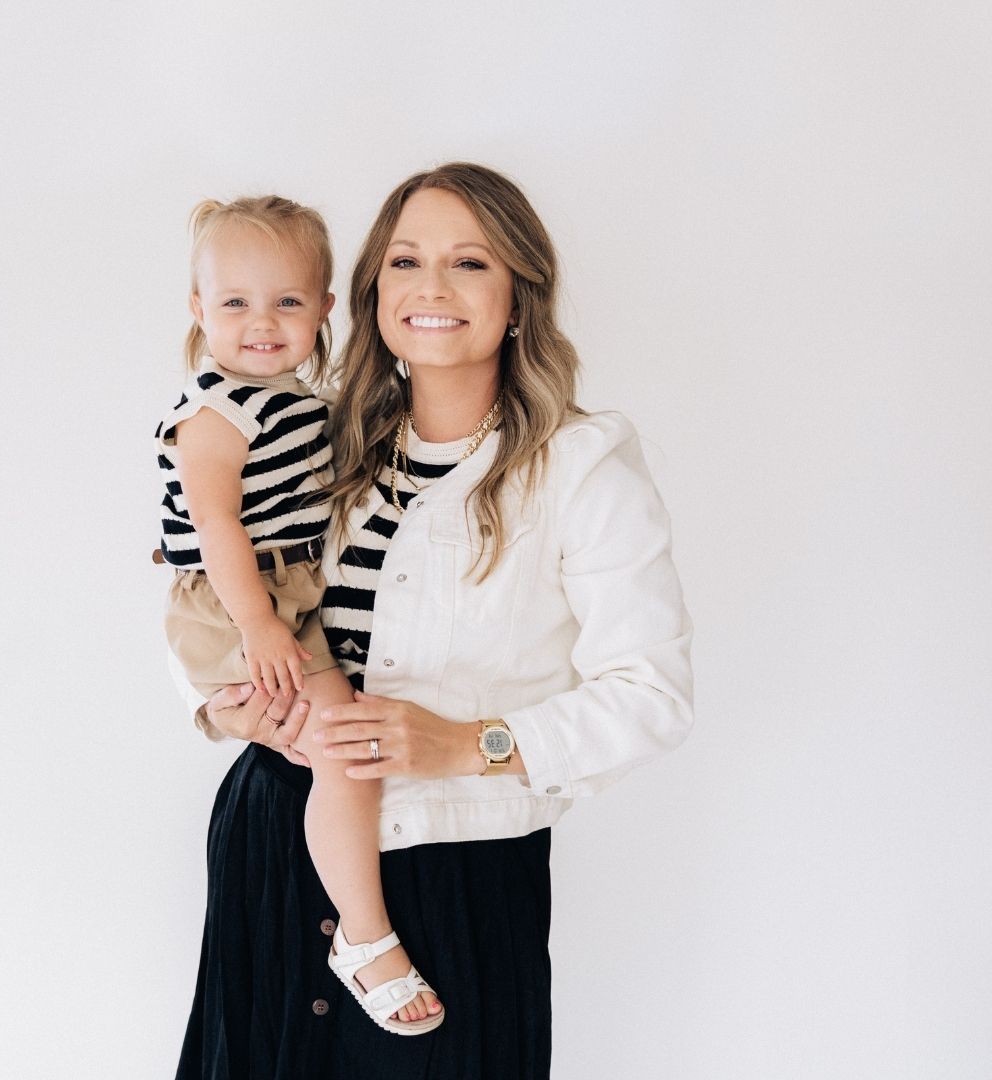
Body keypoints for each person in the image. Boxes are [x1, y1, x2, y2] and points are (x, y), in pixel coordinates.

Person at [172, 163, 694, 1080]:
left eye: (470, 263)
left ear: (520, 296)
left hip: (450, 879)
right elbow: (211, 584)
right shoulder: (321, 439)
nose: (432, 288)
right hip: (275, 851)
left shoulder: (581, 467)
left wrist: (462, 744)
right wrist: (224, 706)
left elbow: (652, 699)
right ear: (371, 293)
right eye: (407, 260)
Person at [156, 195, 444, 1040]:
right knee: (345, 752)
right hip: (236, 601)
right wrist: (257, 628)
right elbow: (214, 530)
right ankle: (364, 938)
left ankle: (358, 926)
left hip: (282, 597)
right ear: (198, 309)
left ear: (324, 309)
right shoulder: (216, 410)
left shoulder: (299, 401)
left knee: (345, 746)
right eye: (235, 302)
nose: (261, 323)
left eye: (287, 301)